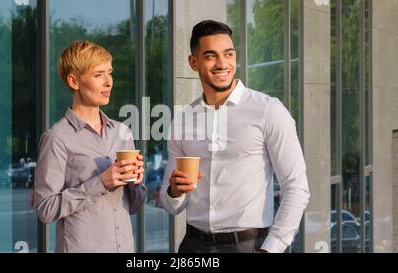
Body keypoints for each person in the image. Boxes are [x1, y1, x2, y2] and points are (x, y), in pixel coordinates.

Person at [160, 20, 310, 253]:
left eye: (228, 54)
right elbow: (171, 204)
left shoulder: (269, 110)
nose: (222, 63)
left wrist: (272, 247)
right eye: (210, 56)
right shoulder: (182, 119)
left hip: (250, 246)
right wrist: (174, 192)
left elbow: (297, 186)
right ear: (193, 62)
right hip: (192, 246)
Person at [34, 40, 146, 253]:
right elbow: (45, 209)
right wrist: (101, 182)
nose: (108, 82)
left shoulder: (122, 132)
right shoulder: (56, 137)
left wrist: (136, 182)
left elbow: (134, 206)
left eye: (110, 73)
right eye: (98, 75)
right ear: (74, 81)